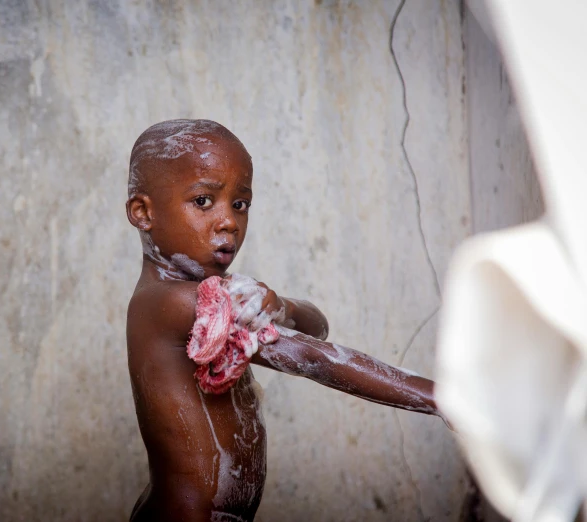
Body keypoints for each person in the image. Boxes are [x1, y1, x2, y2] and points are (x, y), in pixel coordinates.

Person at [125, 119, 443, 521]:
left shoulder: (216, 295)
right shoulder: (170, 303)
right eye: (203, 201)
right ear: (142, 212)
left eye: (240, 204)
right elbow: (317, 357)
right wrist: (445, 399)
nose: (228, 222)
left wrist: (279, 309)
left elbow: (316, 325)